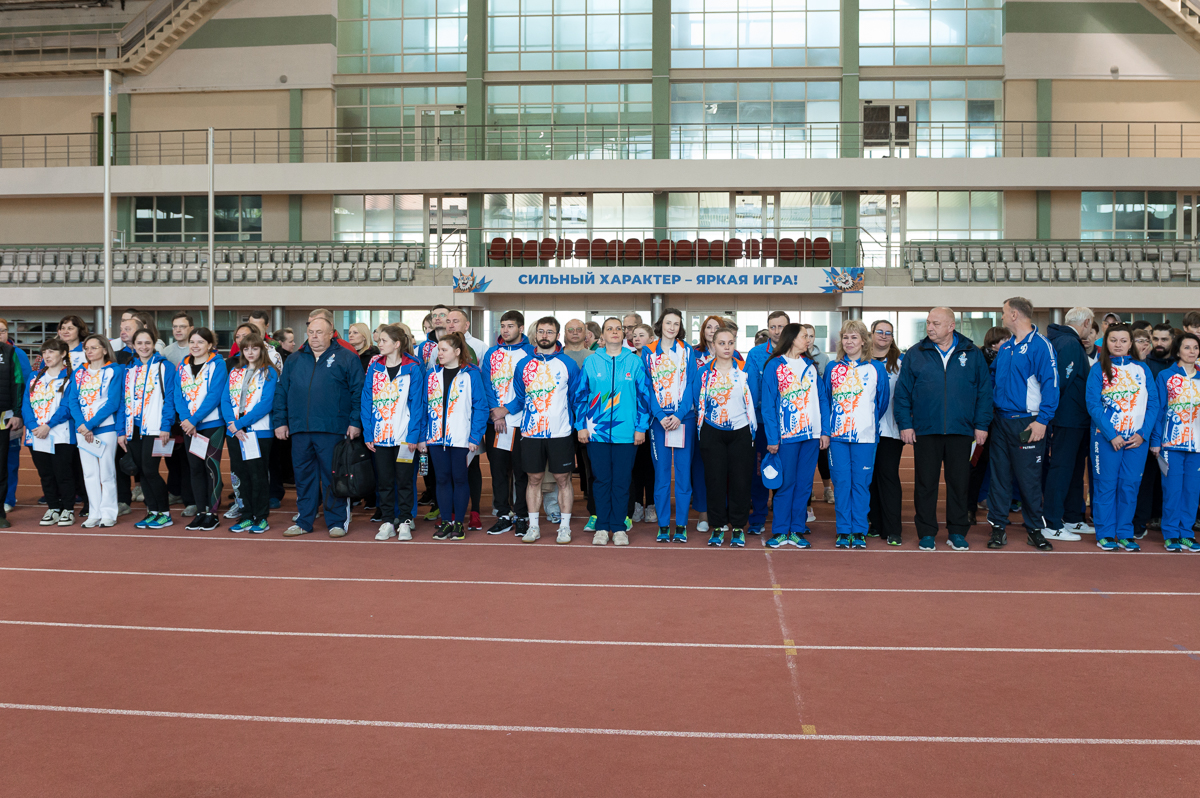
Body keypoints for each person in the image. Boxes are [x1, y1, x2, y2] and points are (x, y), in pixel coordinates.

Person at [893, 307, 992, 551]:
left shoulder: (972, 353)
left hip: (961, 430)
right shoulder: (916, 353)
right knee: (925, 484)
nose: (930, 327)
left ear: (951, 326)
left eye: (935, 323)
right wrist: (905, 424)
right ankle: (926, 532)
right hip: (926, 430)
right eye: (928, 322)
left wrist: (981, 425)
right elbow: (902, 393)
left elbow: (984, 391)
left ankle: (957, 531)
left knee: (959, 483)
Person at [275, 315, 364, 539]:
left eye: (319, 332)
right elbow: (282, 392)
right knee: (303, 477)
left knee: (333, 477)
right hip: (300, 429)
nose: (314, 337)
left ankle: (336, 522)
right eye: (311, 332)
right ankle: (304, 520)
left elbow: (359, 392)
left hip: (333, 428)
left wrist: (355, 422)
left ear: (331, 333)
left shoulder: (347, 357)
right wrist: (281, 421)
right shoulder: (294, 359)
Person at [987, 297, 1059, 551]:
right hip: (1001, 422)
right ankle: (997, 527)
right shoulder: (1006, 348)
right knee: (999, 478)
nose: (1002, 317)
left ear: (1015, 315)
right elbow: (993, 380)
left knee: (1029, 479)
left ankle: (1034, 529)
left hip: (1028, 423)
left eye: (1004, 312)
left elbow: (1052, 385)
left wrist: (1042, 421)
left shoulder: (1041, 345)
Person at [574, 317, 650, 546]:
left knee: (622, 481)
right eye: (610, 329)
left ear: (623, 334)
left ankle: (618, 528)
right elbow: (580, 396)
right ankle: (601, 526)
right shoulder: (591, 361)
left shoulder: (634, 362)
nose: (615, 332)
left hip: (627, 434)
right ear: (602, 335)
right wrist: (581, 426)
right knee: (601, 480)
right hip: (596, 433)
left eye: (618, 328)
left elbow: (644, 396)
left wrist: (640, 427)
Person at [506, 317, 580, 544]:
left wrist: (577, 426)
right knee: (534, 479)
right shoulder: (523, 364)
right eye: (541, 331)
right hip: (531, 433)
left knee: (562, 479)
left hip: (560, 432)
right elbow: (520, 397)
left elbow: (576, 398)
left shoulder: (568, 364)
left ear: (557, 335)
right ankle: (534, 527)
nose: (544, 335)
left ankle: (564, 528)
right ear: (535, 334)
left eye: (549, 331)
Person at [1086, 324, 1160, 551]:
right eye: (1113, 340)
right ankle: (1105, 533)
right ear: (1105, 342)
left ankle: (1125, 533)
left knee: (1130, 486)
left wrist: (1143, 434)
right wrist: (1112, 435)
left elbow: (1153, 404)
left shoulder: (1143, 369)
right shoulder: (1098, 369)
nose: (1118, 344)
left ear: (1131, 344)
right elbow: (1093, 405)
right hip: (1106, 439)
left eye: (1123, 340)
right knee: (1106, 486)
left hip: (1136, 440)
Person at [823, 320, 889, 549]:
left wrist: (865, 421)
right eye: (845, 337)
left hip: (866, 437)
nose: (849, 342)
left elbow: (881, 402)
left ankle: (859, 529)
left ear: (863, 341)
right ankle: (843, 530)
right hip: (838, 437)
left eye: (854, 337)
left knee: (861, 484)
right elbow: (827, 399)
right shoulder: (832, 368)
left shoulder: (876, 368)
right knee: (841, 483)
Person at [762, 323, 827, 550]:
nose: (807, 340)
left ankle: (797, 530)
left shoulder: (810, 366)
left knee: (804, 485)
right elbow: (768, 405)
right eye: (803, 336)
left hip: (811, 436)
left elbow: (822, 399)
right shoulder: (774, 365)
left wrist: (825, 431)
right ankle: (781, 531)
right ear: (791, 339)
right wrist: (773, 437)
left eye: (808, 337)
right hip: (786, 436)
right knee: (785, 484)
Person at [421, 331, 487, 541]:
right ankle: (446, 521)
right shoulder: (431, 375)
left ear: (457, 351)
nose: (439, 353)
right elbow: (423, 407)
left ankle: (459, 523)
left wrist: (475, 437)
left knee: (459, 479)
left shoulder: (471, 374)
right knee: (441, 479)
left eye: (443, 350)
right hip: (435, 438)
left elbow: (481, 407)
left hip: (461, 438)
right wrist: (423, 436)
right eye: (438, 350)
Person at [362, 325, 425, 542]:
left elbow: (417, 405)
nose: (379, 344)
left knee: (405, 481)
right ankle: (388, 521)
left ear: (397, 344)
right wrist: (369, 433)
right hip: (380, 437)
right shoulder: (374, 368)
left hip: (404, 438)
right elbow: (366, 401)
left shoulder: (413, 368)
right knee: (385, 482)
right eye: (379, 340)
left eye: (383, 341)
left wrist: (414, 435)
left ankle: (405, 521)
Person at [641, 308, 698, 543]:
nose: (672, 327)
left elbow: (692, 384)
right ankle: (663, 525)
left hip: (684, 420)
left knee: (683, 475)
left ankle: (681, 525)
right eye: (668, 323)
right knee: (662, 475)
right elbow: (646, 386)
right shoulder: (648, 351)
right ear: (660, 325)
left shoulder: (687, 350)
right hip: (659, 422)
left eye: (676, 323)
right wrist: (658, 414)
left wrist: (680, 414)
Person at [696, 327, 757, 548]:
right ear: (713, 345)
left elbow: (754, 397)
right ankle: (718, 526)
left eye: (730, 343)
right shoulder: (704, 372)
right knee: (715, 480)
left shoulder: (744, 369)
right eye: (721, 343)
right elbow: (697, 398)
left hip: (741, 430)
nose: (727, 347)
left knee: (741, 480)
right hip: (712, 431)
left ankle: (738, 527)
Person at [1042, 307, 1095, 542]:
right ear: (1087, 322)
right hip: (1068, 418)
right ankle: (1052, 523)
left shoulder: (1063, 340)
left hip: (1075, 418)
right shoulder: (1070, 343)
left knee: (1073, 470)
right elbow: (1061, 381)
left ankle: (1072, 517)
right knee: (1062, 469)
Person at [481, 310, 534, 537]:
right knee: (499, 472)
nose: (505, 330)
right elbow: (486, 385)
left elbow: (531, 388)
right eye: (503, 326)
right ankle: (503, 514)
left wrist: (508, 409)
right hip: (496, 424)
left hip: (522, 424)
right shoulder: (491, 353)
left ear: (520, 328)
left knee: (522, 473)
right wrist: (497, 413)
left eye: (510, 326)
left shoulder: (531, 352)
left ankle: (522, 515)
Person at [118, 327, 176, 530]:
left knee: (151, 470)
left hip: (154, 428)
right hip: (132, 429)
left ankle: (165, 513)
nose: (143, 347)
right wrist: (121, 431)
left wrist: (166, 425)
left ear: (154, 344)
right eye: (139, 343)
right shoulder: (128, 368)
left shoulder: (165, 367)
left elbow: (170, 399)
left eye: (147, 343)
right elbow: (122, 402)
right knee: (141, 471)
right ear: (133, 346)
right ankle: (152, 511)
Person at [221, 332, 279, 535]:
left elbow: (266, 404)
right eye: (246, 349)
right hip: (235, 433)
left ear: (262, 349)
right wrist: (232, 424)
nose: (250, 352)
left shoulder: (269, 372)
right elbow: (225, 399)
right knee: (240, 474)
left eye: (255, 348)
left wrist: (240, 424)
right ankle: (246, 515)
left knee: (257, 475)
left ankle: (261, 517)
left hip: (257, 433)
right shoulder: (235, 371)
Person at [174, 327, 227, 532]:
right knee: (195, 469)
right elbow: (178, 394)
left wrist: (194, 419)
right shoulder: (182, 365)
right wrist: (186, 420)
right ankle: (201, 512)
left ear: (210, 345)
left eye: (200, 342)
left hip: (212, 425)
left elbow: (214, 395)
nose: (195, 346)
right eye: (192, 342)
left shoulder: (218, 364)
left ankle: (212, 514)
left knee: (210, 468)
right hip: (190, 427)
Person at [1150, 332, 1200, 551]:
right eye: (1187, 347)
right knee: (1172, 490)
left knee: (1192, 491)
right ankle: (1171, 533)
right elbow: (1159, 410)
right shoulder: (1165, 376)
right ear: (1178, 351)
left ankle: (1186, 533)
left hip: (1197, 445)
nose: (1192, 351)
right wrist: (1155, 440)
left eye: (1195, 347)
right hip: (1171, 444)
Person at [744, 311, 791, 537]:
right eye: (773, 327)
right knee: (761, 472)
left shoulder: (799, 353)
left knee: (790, 474)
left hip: (792, 425)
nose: (777, 331)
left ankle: (790, 520)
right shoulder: (755, 354)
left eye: (782, 327)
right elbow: (750, 390)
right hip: (762, 423)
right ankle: (758, 517)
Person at [69, 334, 121, 528]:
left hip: (105, 428)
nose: (89, 351)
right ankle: (94, 512)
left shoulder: (114, 370)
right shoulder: (79, 372)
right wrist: (82, 425)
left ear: (105, 350)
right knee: (89, 473)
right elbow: (73, 401)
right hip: (83, 430)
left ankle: (109, 512)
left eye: (94, 347)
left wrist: (90, 425)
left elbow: (113, 403)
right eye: (87, 348)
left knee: (106, 472)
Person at [23, 338, 76, 527]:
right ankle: (53, 507)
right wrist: (33, 426)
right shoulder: (34, 376)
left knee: (63, 473)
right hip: (36, 434)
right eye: (44, 352)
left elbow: (67, 405)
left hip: (61, 434)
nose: (47, 355)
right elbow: (26, 404)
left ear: (63, 354)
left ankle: (68, 508)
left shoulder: (71, 376)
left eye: (51, 351)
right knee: (45, 474)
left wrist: (48, 425)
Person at [444, 308, 485, 529]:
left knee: (471, 468)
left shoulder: (479, 347)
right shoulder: (439, 349)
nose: (451, 324)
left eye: (455, 321)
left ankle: (475, 510)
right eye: (448, 321)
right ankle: (449, 511)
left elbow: (483, 383)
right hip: (445, 426)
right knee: (448, 472)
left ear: (466, 324)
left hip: (469, 422)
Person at [1134, 322, 1176, 537]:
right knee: (1145, 479)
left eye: (1164, 339)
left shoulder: (1178, 366)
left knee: (1170, 479)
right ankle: (1141, 521)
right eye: (1155, 339)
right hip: (1146, 431)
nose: (1159, 343)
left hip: (1174, 434)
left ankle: (1164, 519)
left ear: (1172, 341)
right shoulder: (1143, 364)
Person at [867, 319, 905, 545]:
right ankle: (876, 523)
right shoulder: (863, 361)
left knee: (888, 476)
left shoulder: (901, 362)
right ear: (871, 334)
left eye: (888, 332)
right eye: (879, 331)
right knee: (869, 478)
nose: (883, 335)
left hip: (891, 430)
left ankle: (893, 529)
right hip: (865, 430)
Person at [0, 318, 31, 515]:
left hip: (9, 417)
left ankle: (8, 498)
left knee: (9, 459)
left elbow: (24, 385)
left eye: (2, 331)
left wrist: (18, 413)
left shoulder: (16, 353)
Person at [628, 323, 657, 524]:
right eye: (634, 335)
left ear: (651, 338)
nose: (637, 338)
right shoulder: (628, 359)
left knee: (651, 464)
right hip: (632, 419)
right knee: (635, 464)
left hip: (653, 419)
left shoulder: (656, 360)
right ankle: (637, 503)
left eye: (641, 335)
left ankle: (651, 505)